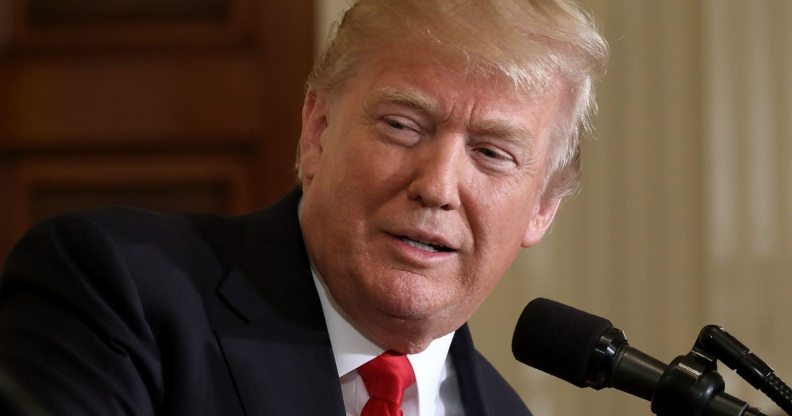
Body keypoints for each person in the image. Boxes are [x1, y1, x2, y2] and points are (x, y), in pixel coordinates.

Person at [0, 0, 607, 414]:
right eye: (402, 125)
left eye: (492, 153)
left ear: (543, 208)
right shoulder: (116, 293)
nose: (437, 186)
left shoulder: (503, 411)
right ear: (316, 131)